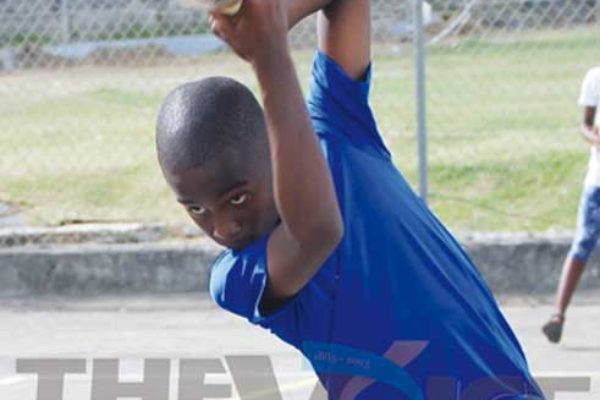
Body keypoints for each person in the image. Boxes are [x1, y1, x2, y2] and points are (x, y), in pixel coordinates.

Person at [156, 0, 544, 398]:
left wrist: (274, 17)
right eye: (196, 209)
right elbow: (318, 232)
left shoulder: (336, 125)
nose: (222, 228)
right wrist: (267, 51)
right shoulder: (240, 277)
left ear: (273, 151)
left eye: (237, 199)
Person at [543, 67, 600, 344]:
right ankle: (558, 315)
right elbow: (585, 124)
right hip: (597, 182)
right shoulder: (595, 78)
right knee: (583, 242)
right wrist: (595, 138)